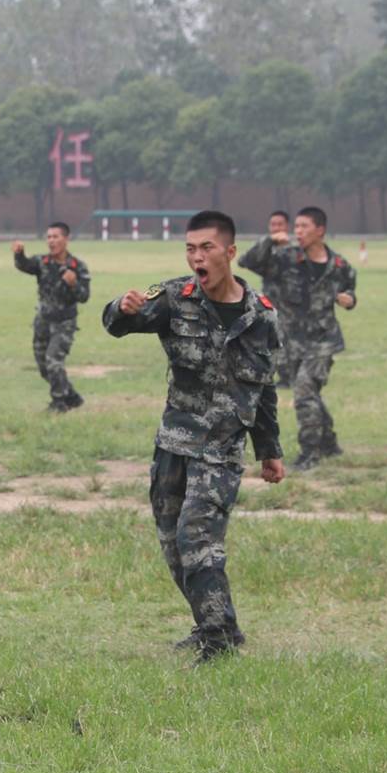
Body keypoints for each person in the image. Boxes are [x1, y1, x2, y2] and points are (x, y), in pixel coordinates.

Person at [104, 210, 285, 662]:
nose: (196, 257)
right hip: (173, 444)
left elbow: (264, 388)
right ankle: (216, 623)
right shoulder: (173, 296)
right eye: (190, 248)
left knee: (196, 538)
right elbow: (118, 323)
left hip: (221, 450)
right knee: (172, 545)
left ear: (229, 252)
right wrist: (121, 309)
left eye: (206, 248)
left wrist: (269, 451)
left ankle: (218, 642)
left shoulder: (260, 315)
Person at [243, 206, 355, 469]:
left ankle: (310, 452)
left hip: (323, 340)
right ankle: (329, 442)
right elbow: (248, 261)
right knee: (309, 391)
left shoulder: (338, 265)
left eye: (305, 226)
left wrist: (349, 300)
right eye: (298, 227)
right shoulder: (286, 257)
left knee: (304, 391)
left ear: (320, 230)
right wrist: (270, 240)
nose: (298, 231)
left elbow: (350, 288)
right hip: (291, 341)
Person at [12, 221, 92, 411]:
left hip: (64, 323)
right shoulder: (43, 262)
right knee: (43, 367)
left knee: (53, 361)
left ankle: (58, 403)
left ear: (66, 239)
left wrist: (73, 284)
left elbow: (84, 297)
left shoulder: (77, 266)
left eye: (55, 237)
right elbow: (24, 265)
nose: (51, 241)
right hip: (43, 321)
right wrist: (19, 253)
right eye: (48, 237)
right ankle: (72, 396)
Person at [238, 210, 296, 385]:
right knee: (269, 338)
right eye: (273, 224)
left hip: (294, 302)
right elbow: (244, 261)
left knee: (292, 338)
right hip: (271, 301)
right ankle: (273, 374)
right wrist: (268, 241)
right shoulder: (265, 248)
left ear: (287, 226)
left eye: (280, 224)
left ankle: (291, 375)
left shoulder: (297, 248)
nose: (276, 228)